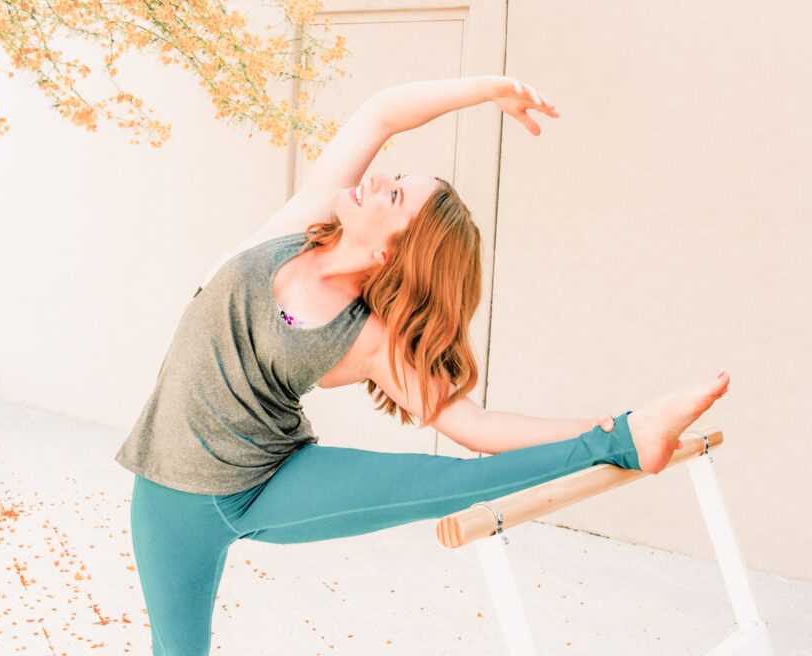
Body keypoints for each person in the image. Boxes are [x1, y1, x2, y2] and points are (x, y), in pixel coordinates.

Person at [114, 74, 730, 655]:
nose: (378, 178)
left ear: (389, 253)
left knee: (447, 483)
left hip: (269, 481)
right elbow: (381, 112)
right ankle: (622, 438)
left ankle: (626, 438)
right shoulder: (302, 225)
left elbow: (473, 426)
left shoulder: (370, 337)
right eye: (396, 177)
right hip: (170, 494)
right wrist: (490, 87)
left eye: (395, 193)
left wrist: (589, 428)